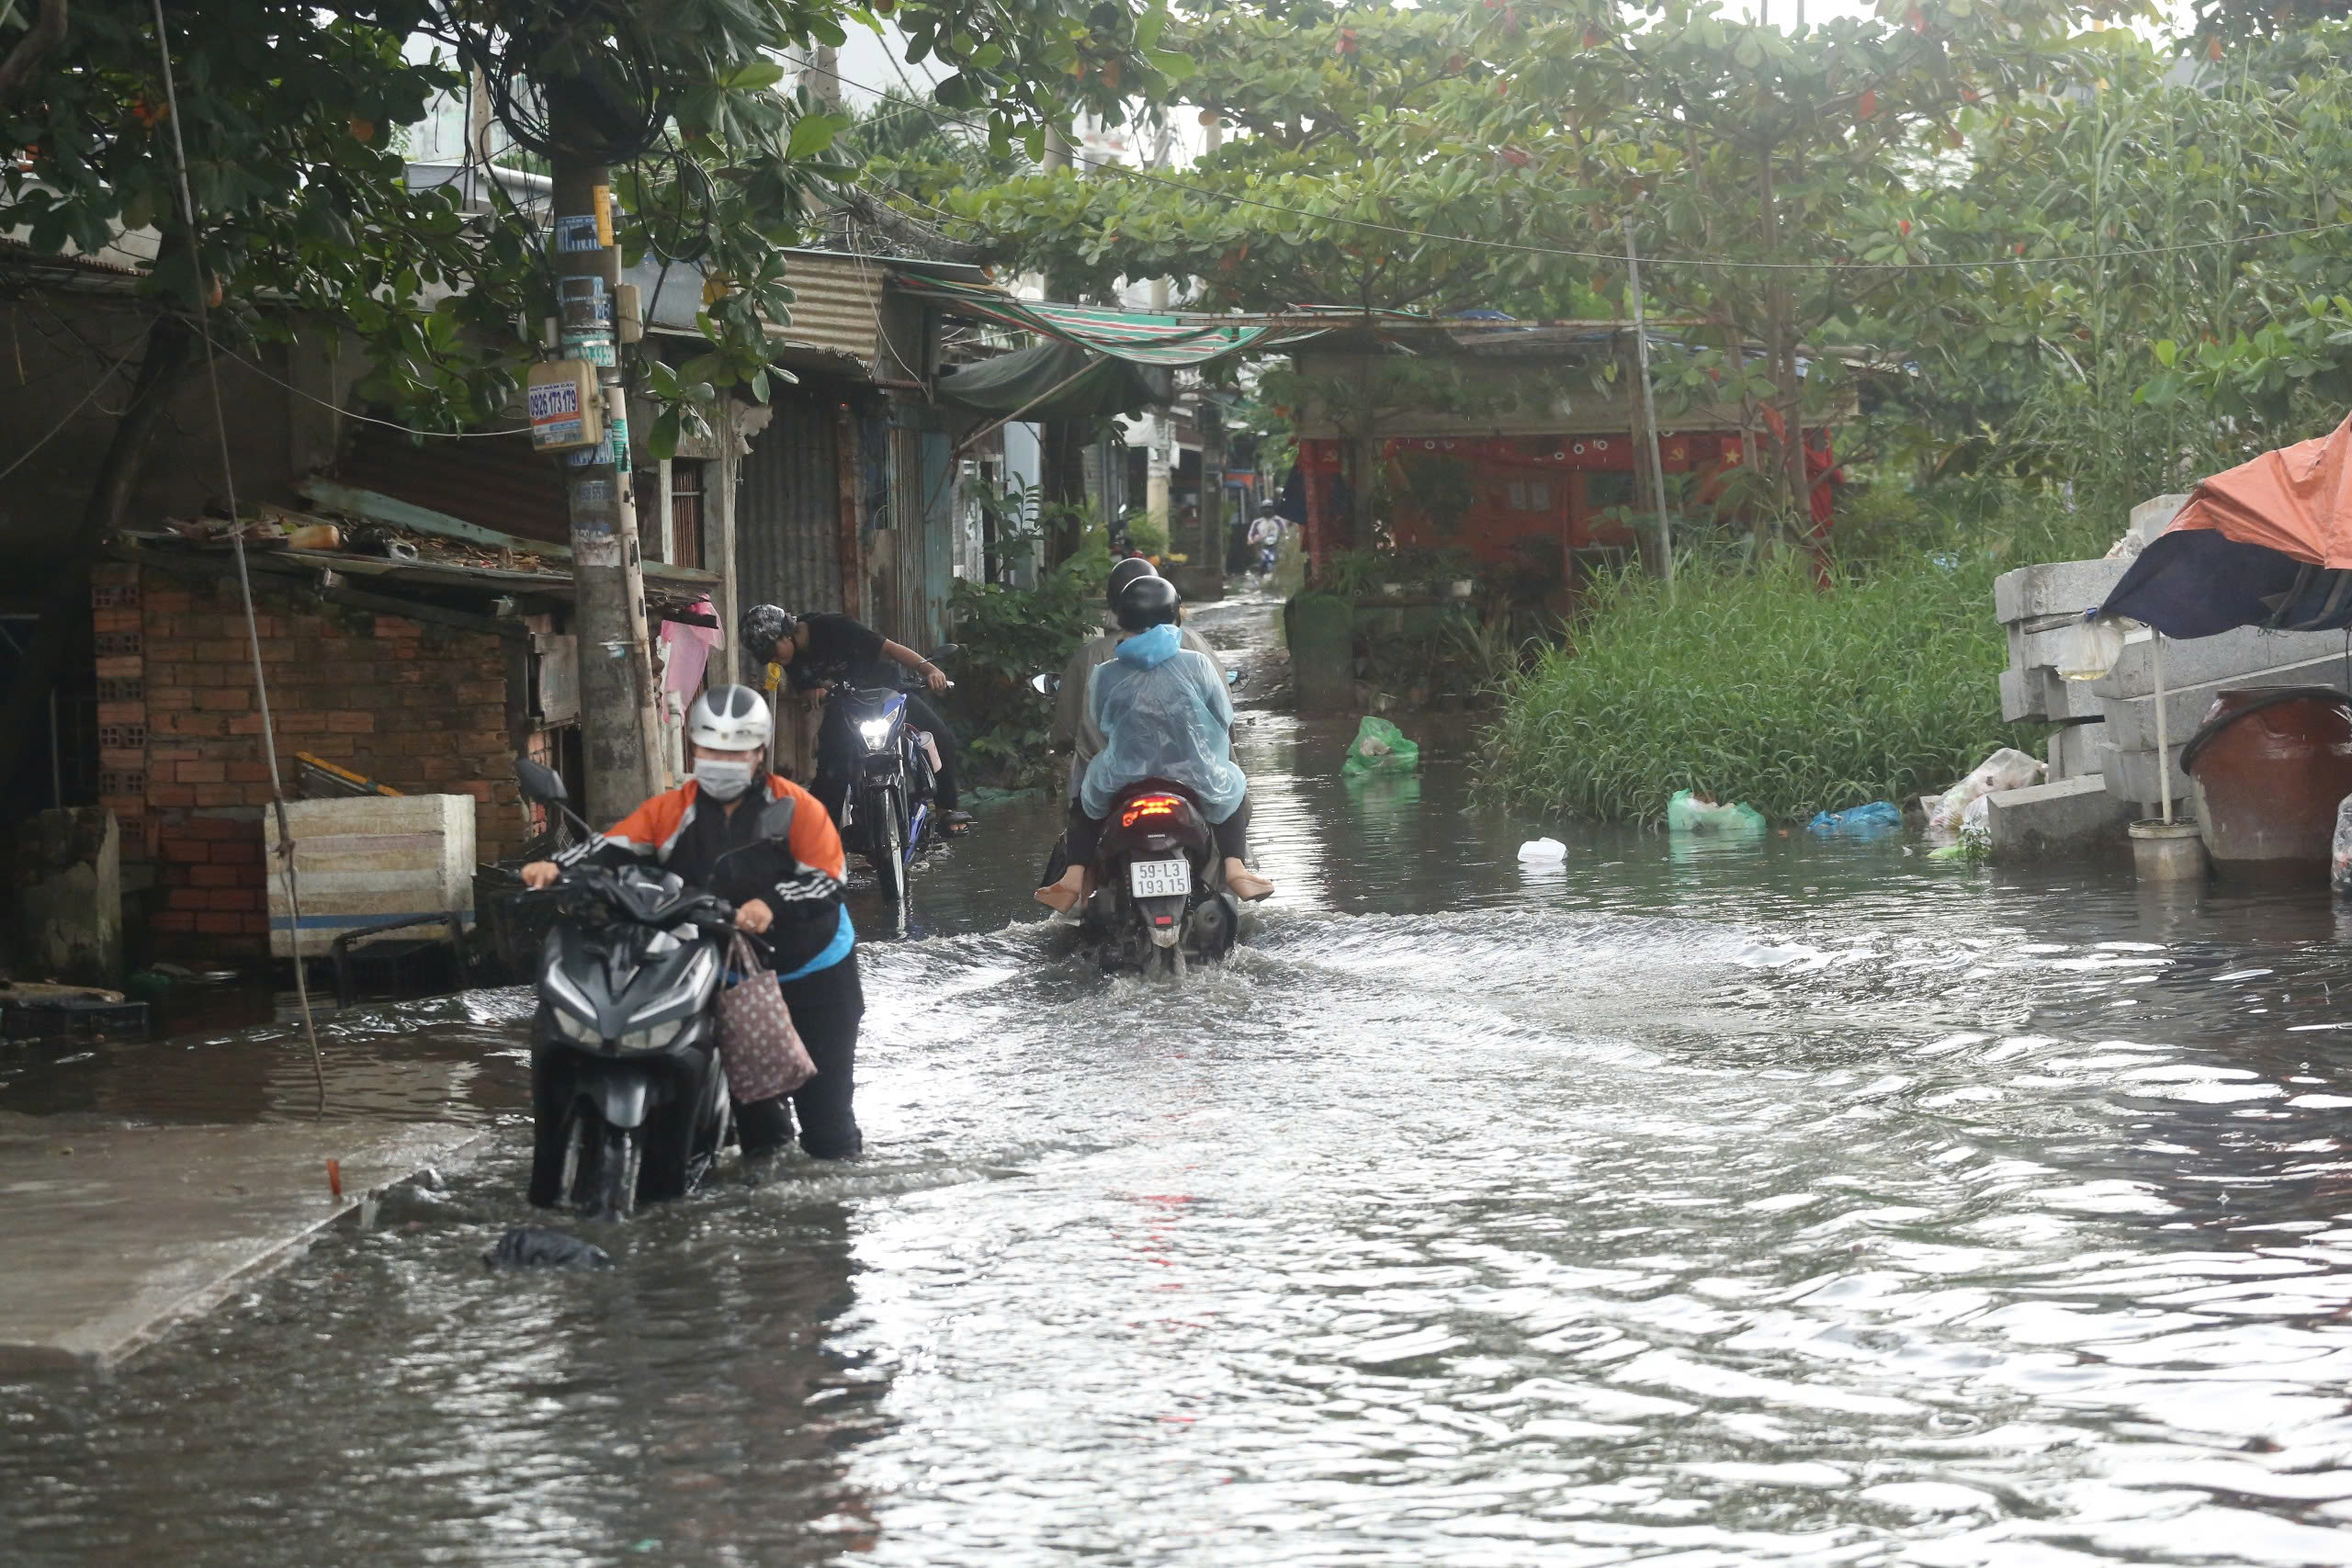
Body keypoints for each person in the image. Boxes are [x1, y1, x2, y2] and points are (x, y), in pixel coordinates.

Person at [519, 684, 865, 1160]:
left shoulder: (798, 808)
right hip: (730, 975)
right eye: (710, 749)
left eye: (736, 751)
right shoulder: (671, 810)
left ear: (759, 752)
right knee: (759, 1127)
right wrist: (559, 868)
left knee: (827, 1123)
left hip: (815, 973)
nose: (722, 759)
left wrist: (771, 904)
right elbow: (613, 847)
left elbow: (829, 880)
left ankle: (832, 1215)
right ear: (694, 748)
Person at [1036, 575, 1273, 910]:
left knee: (1084, 803)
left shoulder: (1105, 671)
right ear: (1174, 616)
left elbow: (1102, 722)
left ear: (1121, 619)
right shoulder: (1199, 663)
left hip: (1125, 773)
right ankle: (1236, 869)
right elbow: (1223, 719)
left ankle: (1073, 878)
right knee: (1231, 789)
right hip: (1192, 771)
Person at [738, 604, 969, 837]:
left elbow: (891, 649)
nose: (774, 660)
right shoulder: (791, 659)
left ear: (787, 633)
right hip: (847, 705)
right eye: (768, 658)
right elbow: (807, 689)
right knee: (831, 765)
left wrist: (928, 670)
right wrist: (814, 693)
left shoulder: (835, 626)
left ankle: (945, 810)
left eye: (774, 652)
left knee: (940, 737)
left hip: (888, 692)